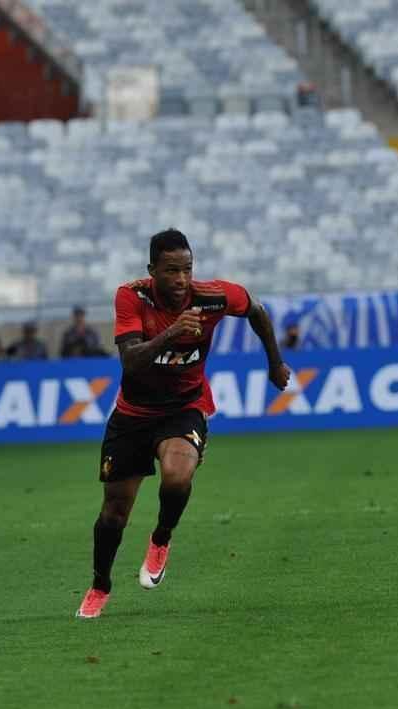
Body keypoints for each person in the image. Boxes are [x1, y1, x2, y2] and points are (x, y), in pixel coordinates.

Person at [76, 228, 290, 619]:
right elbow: (130, 360)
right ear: (152, 270)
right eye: (171, 270)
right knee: (113, 514)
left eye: (187, 269)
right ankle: (100, 583)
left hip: (184, 408)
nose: (181, 280)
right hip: (133, 415)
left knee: (177, 476)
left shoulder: (212, 297)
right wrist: (172, 334)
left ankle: (161, 539)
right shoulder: (131, 296)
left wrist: (274, 362)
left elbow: (256, 311)